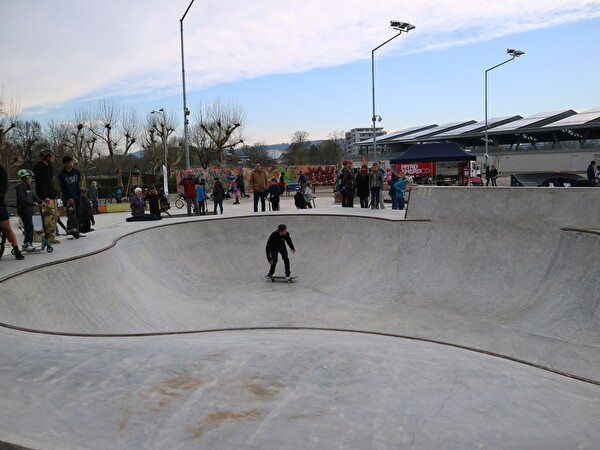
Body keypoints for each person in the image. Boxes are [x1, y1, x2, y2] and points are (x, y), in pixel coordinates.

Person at [32, 149, 60, 244]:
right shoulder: (38, 167)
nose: (53, 158)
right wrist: (45, 196)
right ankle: (46, 239)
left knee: (55, 216)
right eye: (51, 156)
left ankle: (51, 237)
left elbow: (49, 182)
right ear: (46, 157)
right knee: (47, 218)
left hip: (52, 194)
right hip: (44, 197)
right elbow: (40, 183)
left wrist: (53, 193)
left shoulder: (50, 167)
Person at [0, 164, 25, 260]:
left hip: (0, 202)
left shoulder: (1, 170)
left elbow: (5, 185)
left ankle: (17, 250)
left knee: (6, 228)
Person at [15, 169, 43, 252]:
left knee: (30, 226)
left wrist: (42, 202)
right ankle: (27, 244)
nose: (31, 179)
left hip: (28, 209)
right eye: (30, 177)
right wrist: (32, 203)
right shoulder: (21, 186)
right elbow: (22, 199)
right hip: (23, 210)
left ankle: (28, 243)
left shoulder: (27, 186)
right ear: (25, 177)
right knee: (29, 226)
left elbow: (33, 196)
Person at [57, 155, 85, 237]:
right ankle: (69, 232)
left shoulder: (77, 172)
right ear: (65, 164)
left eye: (72, 162)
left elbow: (77, 184)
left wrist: (78, 195)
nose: (71, 164)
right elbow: (63, 188)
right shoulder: (61, 174)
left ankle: (78, 230)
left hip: (77, 195)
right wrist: (68, 197)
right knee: (71, 215)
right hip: (68, 197)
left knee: (79, 214)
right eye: (69, 163)